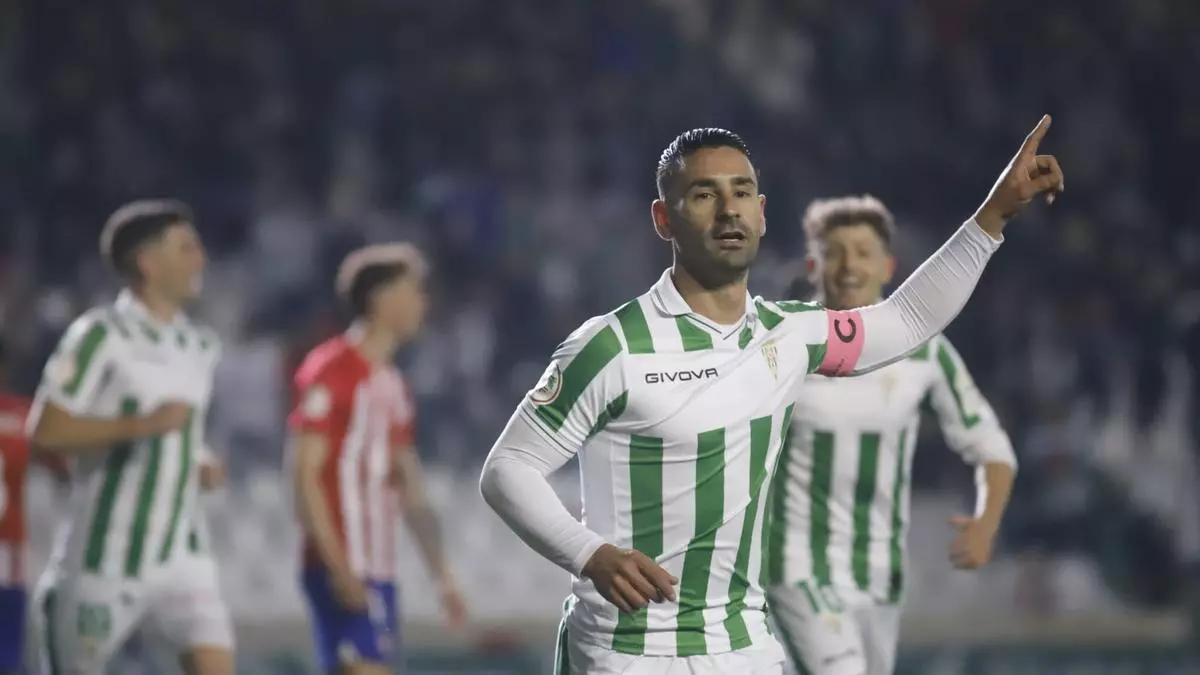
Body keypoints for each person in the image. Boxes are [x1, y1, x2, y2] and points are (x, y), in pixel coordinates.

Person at [479, 117, 1063, 674]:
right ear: (664, 219)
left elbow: (907, 318)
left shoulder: (791, 333)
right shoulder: (611, 347)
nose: (728, 208)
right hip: (625, 648)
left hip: (742, 648)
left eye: (742, 192)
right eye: (704, 194)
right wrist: (589, 554)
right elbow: (508, 468)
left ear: (761, 214)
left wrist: (995, 215)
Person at [764, 195, 1017, 675]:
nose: (848, 265)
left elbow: (992, 448)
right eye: (834, 252)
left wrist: (987, 523)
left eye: (862, 252)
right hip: (795, 566)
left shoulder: (926, 353)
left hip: (880, 574)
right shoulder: (784, 341)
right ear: (813, 263)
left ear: (888, 265)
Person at [26, 199, 235, 675]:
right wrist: (140, 427)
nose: (200, 259)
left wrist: (195, 460)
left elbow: (180, 428)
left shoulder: (199, 345)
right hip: (107, 554)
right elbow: (47, 431)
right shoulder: (98, 335)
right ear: (147, 261)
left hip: (183, 550)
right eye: (186, 248)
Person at [289, 244, 467, 675]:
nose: (424, 302)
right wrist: (338, 566)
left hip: (379, 569)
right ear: (382, 299)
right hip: (343, 565)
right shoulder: (329, 369)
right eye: (414, 290)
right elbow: (302, 474)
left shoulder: (393, 385)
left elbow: (409, 485)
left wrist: (441, 574)